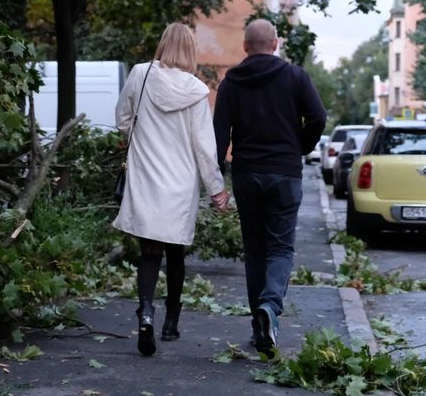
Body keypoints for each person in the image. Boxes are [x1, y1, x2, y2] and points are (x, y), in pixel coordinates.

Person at [114, 23, 230, 357]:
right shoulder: (196, 90)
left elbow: (123, 120)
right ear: (191, 51)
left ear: (163, 45)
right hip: (180, 183)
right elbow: (204, 149)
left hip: (146, 177)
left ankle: (146, 312)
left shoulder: (140, 75)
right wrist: (217, 191)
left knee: (150, 252)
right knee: (176, 250)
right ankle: (171, 322)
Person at [213, 19, 327, 357]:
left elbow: (220, 132)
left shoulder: (231, 82)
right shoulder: (295, 77)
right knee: (279, 249)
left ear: (245, 46)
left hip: (247, 173)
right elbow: (318, 117)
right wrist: (300, 146)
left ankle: (259, 323)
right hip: (285, 174)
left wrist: (217, 177)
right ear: (275, 44)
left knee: (254, 252)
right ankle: (270, 308)